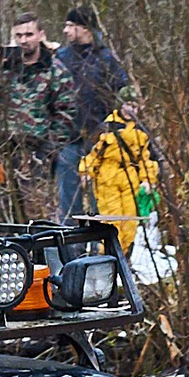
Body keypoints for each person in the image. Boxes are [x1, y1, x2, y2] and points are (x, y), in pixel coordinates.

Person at [0, 12, 75, 222]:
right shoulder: (5, 68)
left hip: (36, 153)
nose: (24, 40)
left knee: (37, 215)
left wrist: (47, 150)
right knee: (1, 214)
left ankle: (42, 254)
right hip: (3, 151)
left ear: (40, 35)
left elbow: (67, 114)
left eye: (29, 34)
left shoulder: (55, 70)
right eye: (19, 35)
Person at [53, 4, 127, 222]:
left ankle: (100, 249)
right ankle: (69, 248)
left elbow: (123, 89)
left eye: (71, 25)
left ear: (85, 28)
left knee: (99, 201)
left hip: (99, 140)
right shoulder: (61, 57)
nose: (66, 31)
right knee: (68, 203)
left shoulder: (106, 58)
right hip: (67, 138)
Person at [80, 82, 158, 252]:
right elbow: (93, 154)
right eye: (128, 105)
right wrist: (86, 172)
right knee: (111, 222)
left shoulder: (141, 132)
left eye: (135, 106)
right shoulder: (106, 127)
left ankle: (121, 259)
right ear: (120, 105)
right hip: (107, 178)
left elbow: (146, 159)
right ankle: (106, 257)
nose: (131, 110)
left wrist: (147, 180)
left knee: (130, 222)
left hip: (130, 179)